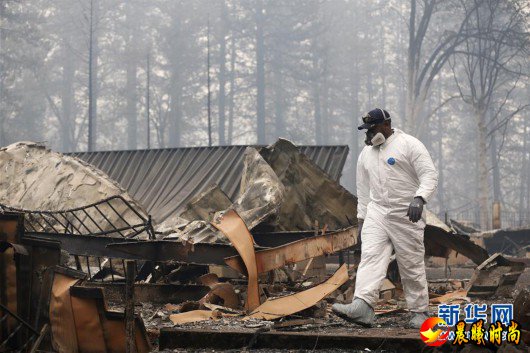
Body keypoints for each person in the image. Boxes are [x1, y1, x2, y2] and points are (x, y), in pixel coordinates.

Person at [332, 108, 438, 329]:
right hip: (377, 212)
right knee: (370, 256)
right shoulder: (366, 154)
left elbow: (429, 174)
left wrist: (420, 198)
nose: (368, 136)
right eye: (366, 131)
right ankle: (362, 306)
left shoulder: (410, 144)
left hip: (407, 213)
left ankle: (419, 311)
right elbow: (362, 191)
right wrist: (362, 220)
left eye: (372, 130)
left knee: (410, 263)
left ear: (386, 125)